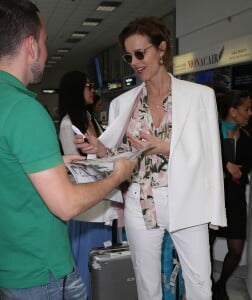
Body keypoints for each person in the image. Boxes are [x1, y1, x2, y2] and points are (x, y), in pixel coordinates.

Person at [0, 1, 136, 300]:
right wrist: (116, 175)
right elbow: (65, 205)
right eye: (44, 41)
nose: (46, 50)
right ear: (30, 46)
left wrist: (55, 162)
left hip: (2, 267)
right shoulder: (24, 110)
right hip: (41, 273)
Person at [75, 16, 227, 300]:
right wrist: (100, 149)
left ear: (161, 49)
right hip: (140, 200)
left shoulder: (199, 96)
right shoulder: (123, 102)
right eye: (129, 56)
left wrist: (166, 149)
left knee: (199, 283)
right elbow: (121, 155)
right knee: (146, 285)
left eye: (141, 53)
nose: (134, 62)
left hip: (187, 197)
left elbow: (211, 158)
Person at [58, 71, 113, 298]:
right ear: (76, 90)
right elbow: (76, 168)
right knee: (88, 262)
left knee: (107, 260)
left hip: (105, 199)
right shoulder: (68, 125)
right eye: (87, 85)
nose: (92, 89)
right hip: (86, 205)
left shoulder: (92, 119)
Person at [210, 91, 252, 300]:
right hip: (211, 197)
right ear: (234, 112)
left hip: (235, 198)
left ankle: (221, 283)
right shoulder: (211, 130)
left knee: (236, 248)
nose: (250, 113)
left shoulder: (247, 135)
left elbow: (249, 162)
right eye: (246, 109)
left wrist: (240, 170)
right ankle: (207, 284)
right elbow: (201, 158)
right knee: (205, 245)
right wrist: (226, 166)